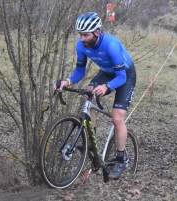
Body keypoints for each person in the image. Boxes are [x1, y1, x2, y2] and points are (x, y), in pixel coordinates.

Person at [54, 12, 136, 179]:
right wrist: (67, 81)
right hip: (106, 72)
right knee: (88, 96)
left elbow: (121, 77)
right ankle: (92, 140)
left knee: (117, 118)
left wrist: (107, 87)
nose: (82, 38)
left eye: (85, 35)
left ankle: (121, 158)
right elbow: (79, 71)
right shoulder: (81, 46)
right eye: (80, 35)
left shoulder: (111, 45)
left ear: (97, 32)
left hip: (125, 76)